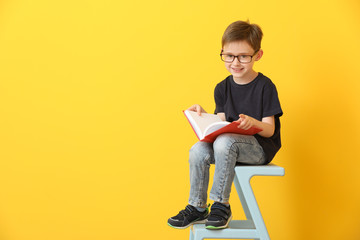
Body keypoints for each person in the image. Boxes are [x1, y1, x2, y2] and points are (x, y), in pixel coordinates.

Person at [167, 20, 283, 230]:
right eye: (229, 56)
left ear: (257, 55)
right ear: (222, 53)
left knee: (225, 141)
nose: (235, 63)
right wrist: (203, 116)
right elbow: (221, 123)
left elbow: (269, 130)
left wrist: (252, 123)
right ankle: (197, 207)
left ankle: (221, 204)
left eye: (243, 57)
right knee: (198, 149)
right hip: (228, 146)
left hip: (259, 149)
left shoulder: (265, 86)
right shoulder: (221, 88)